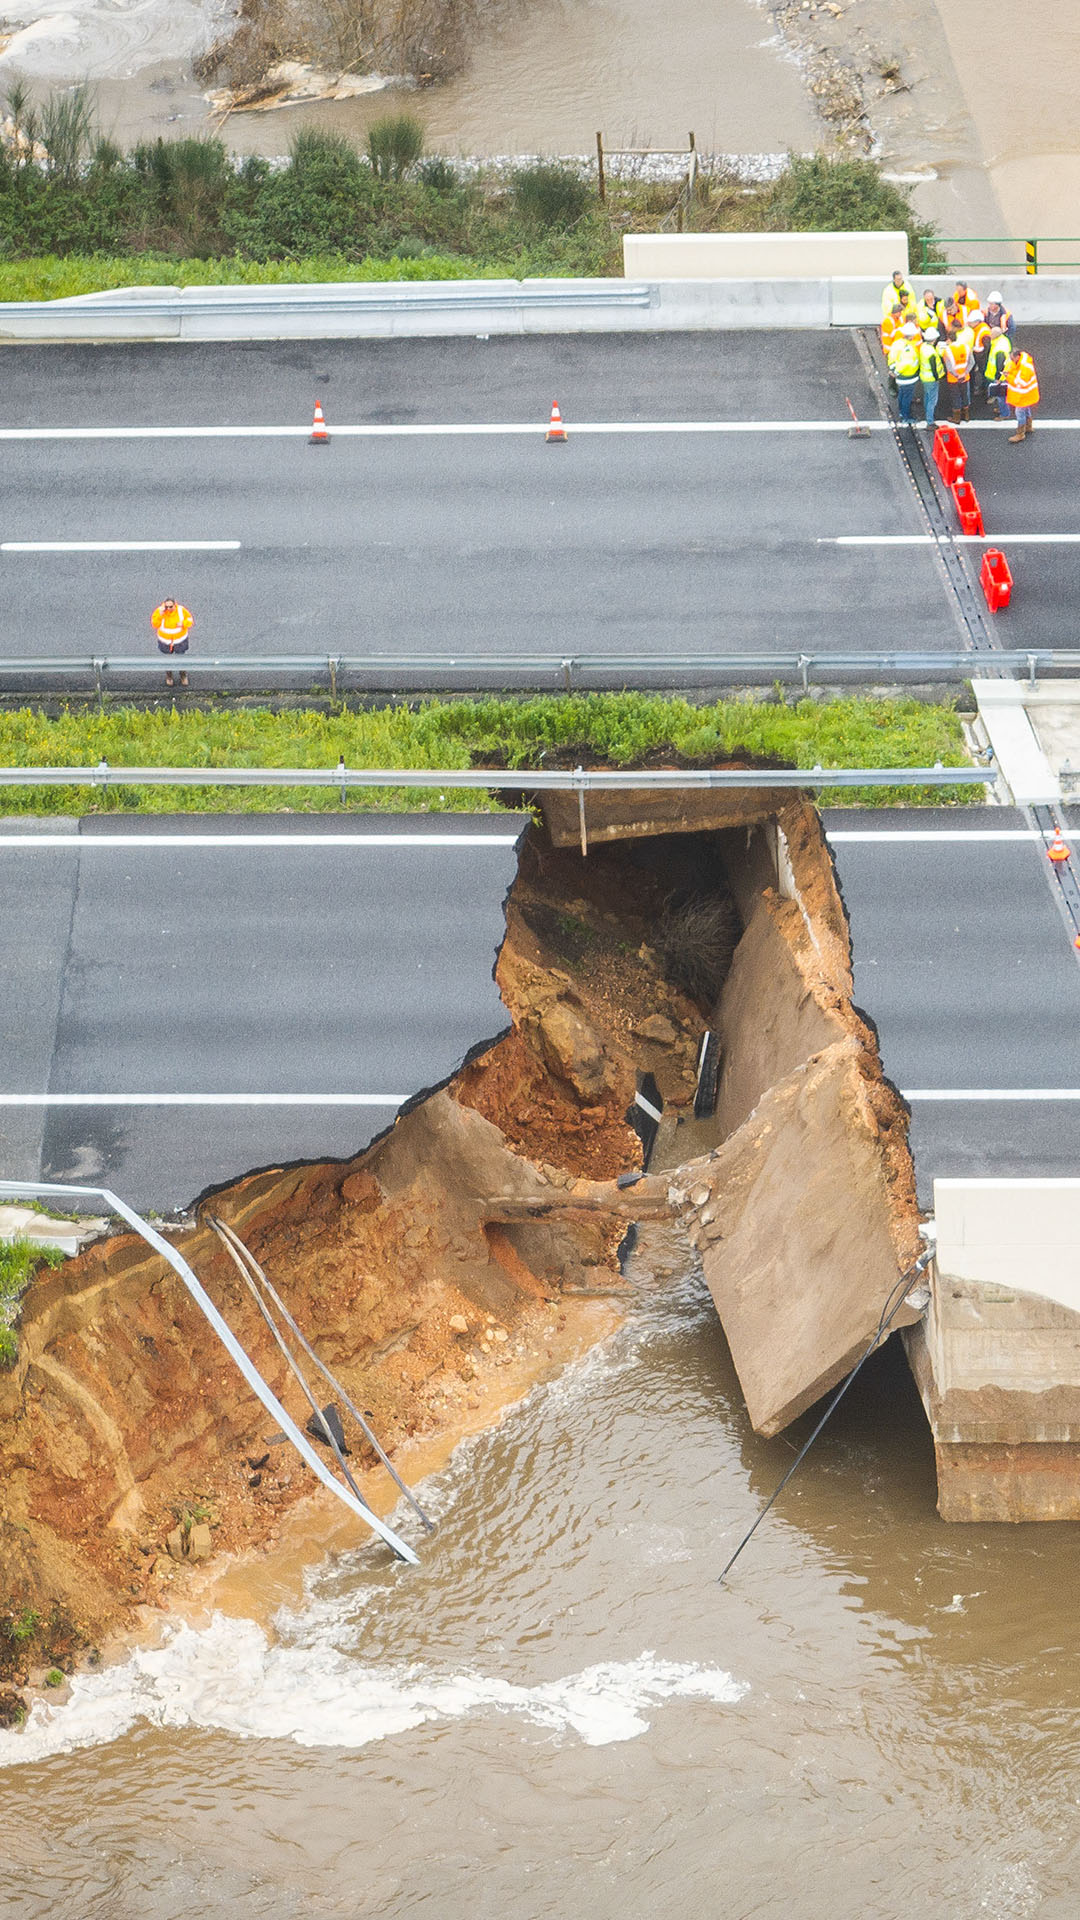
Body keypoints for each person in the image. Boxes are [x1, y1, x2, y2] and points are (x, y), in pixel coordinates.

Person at [152, 597, 194, 687]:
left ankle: (183, 676)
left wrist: (183, 623)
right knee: (167, 660)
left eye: (170, 607)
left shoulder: (181, 611)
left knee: (181, 659)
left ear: (175, 605)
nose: (168, 609)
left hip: (180, 641)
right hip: (165, 642)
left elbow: (190, 620)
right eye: (166, 607)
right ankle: (169, 677)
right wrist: (160, 615)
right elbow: (155, 624)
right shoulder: (159, 612)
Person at [888, 322, 923, 423]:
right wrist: (897, 372)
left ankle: (901, 412)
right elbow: (906, 363)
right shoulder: (909, 348)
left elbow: (892, 358)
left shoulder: (897, 343)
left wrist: (893, 371)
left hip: (901, 377)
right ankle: (906, 417)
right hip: (908, 377)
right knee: (907, 397)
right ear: (911, 335)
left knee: (902, 394)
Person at [1004, 349, 1040, 442]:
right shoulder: (1020, 362)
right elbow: (1013, 368)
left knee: (1019, 413)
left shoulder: (1025, 367)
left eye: (1012, 358)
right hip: (1026, 394)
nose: (1011, 360)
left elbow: (1021, 383)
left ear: (1017, 356)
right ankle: (1028, 426)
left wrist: (1008, 377)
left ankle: (1020, 434)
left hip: (1023, 395)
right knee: (1026, 410)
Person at [943, 319, 974, 422]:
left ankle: (956, 418)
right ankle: (966, 416)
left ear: (949, 339)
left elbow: (949, 367)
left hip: (953, 379)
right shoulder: (966, 347)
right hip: (965, 377)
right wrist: (964, 373)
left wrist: (957, 375)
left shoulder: (947, 350)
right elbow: (972, 362)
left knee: (956, 397)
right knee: (965, 395)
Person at [920, 327, 946, 431]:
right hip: (931, 379)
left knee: (927, 396)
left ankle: (927, 413)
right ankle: (930, 421)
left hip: (925, 377)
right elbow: (933, 367)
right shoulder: (931, 352)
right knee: (932, 400)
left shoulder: (923, 347)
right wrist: (937, 377)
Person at [985, 325, 1013, 412]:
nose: (989, 334)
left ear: (995, 335)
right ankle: (1001, 408)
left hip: (997, 375)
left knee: (1001, 397)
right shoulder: (1003, 340)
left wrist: (998, 379)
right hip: (999, 374)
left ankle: (1003, 412)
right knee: (1001, 395)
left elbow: (1000, 365)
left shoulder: (999, 348)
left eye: (991, 333)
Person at [968, 308, 991, 398]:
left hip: (981, 357)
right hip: (976, 355)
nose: (969, 324)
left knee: (984, 373)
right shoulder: (976, 328)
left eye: (971, 322)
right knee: (975, 372)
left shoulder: (984, 331)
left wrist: (983, 358)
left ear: (977, 322)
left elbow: (987, 348)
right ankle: (976, 389)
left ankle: (986, 391)